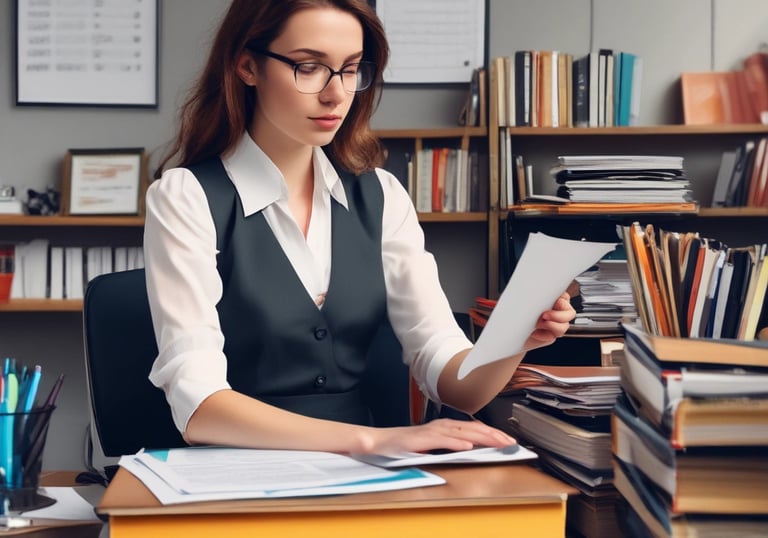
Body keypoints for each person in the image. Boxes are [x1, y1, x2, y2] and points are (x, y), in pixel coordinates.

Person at [144, 0, 576, 456]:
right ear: (248, 66)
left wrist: (514, 337)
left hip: (368, 476)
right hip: (237, 474)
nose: (336, 94)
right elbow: (199, 407)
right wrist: (372, 439)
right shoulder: (186, 197)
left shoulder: (382, 196)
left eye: (350, 70)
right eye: (309, 68)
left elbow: (456, 385)